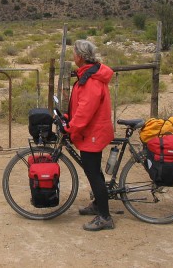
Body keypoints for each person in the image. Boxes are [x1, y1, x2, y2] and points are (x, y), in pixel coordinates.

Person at [65, 39, 115, 231]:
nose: (73, 56)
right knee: (94, 171)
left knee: (94, 174)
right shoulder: (89, 75)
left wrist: (72, 127)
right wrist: (70, 119)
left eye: (74, 53)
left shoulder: (91, 79)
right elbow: (81, 105)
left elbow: (86, 109)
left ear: (80, 56)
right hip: (93, 131)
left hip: (93, 132)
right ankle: (97, 206)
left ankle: (105, 217)